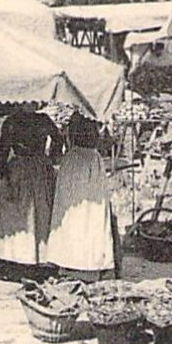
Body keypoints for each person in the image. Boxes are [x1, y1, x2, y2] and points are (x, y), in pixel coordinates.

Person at [0, 108, 59, 274]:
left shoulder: (13, 120)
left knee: (23, 212)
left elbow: (3, 151)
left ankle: (20, 256)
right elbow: (58, 139)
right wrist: (51, 158)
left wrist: (4, 171)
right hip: (38, 167)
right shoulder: (41, 119)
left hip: (21, 167)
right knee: (38, 211)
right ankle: (34, 255)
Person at [46, 116, 116, 279]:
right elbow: (105, 143)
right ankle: (79, 259)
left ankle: (75, 259)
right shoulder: (90, 120)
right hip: (85, 162)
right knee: (86, 211)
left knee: (76, 211)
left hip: (77, 162)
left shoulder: (76, 120)